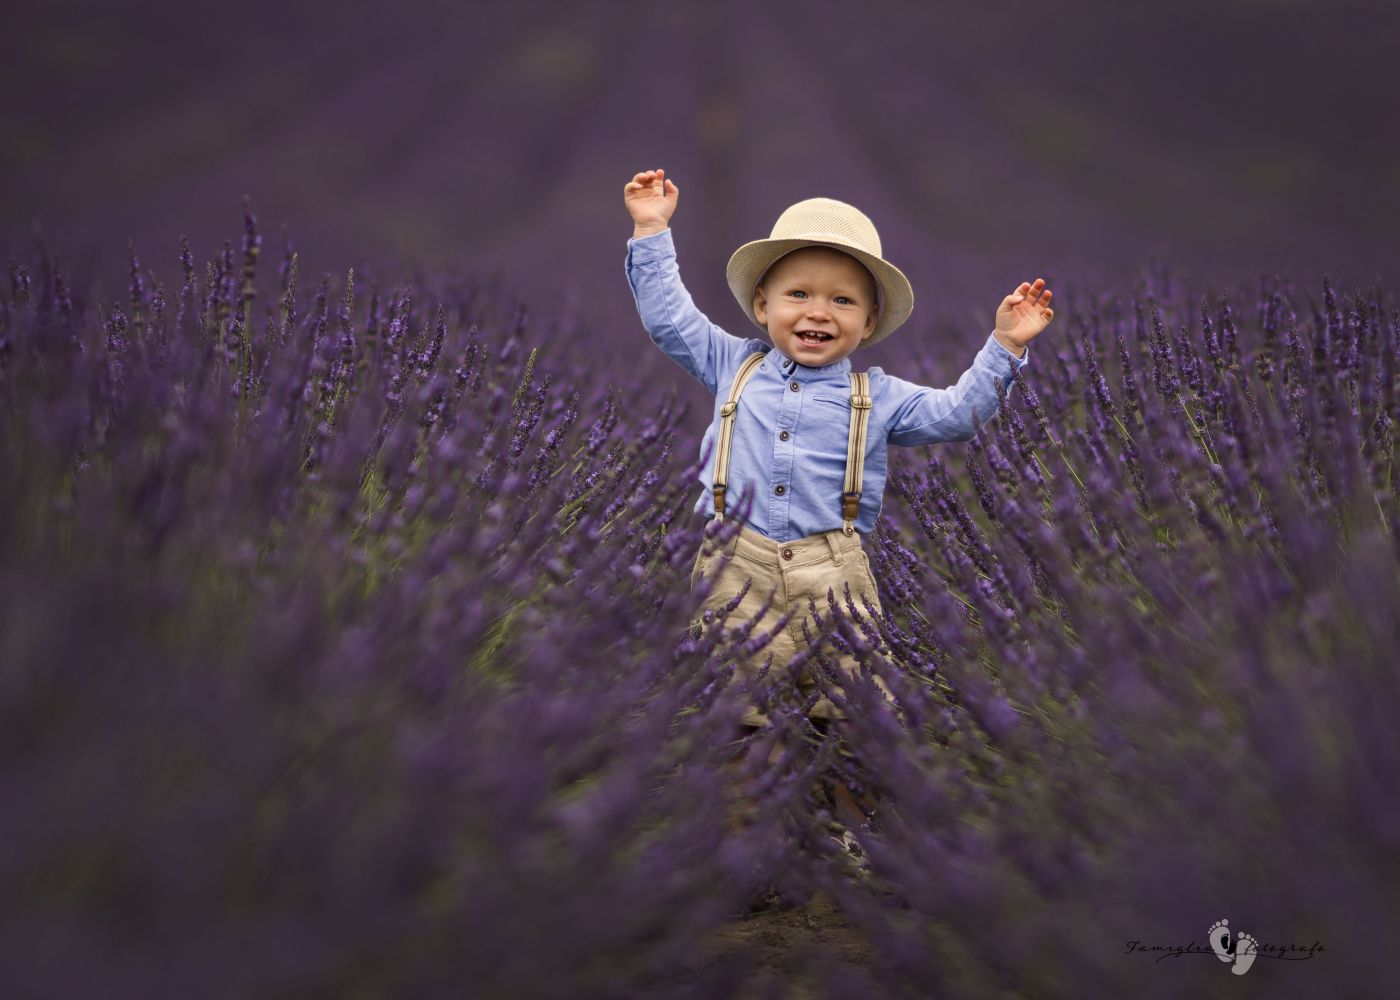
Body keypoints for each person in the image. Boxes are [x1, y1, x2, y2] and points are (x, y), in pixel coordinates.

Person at [622, 168, 1054, 849]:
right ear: (762, 305)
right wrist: (651, 230)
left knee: (854, 710)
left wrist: (1004, 345)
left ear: (869, 322)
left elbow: (957, 414)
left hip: (834, 571)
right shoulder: (732, 363)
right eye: (798, 294)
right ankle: (749, 847)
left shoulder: (877, 396)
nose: (818, 312)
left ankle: (853, 843)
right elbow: (668, 317)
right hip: (736, 566)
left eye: (842, 301)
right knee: (740, 716)